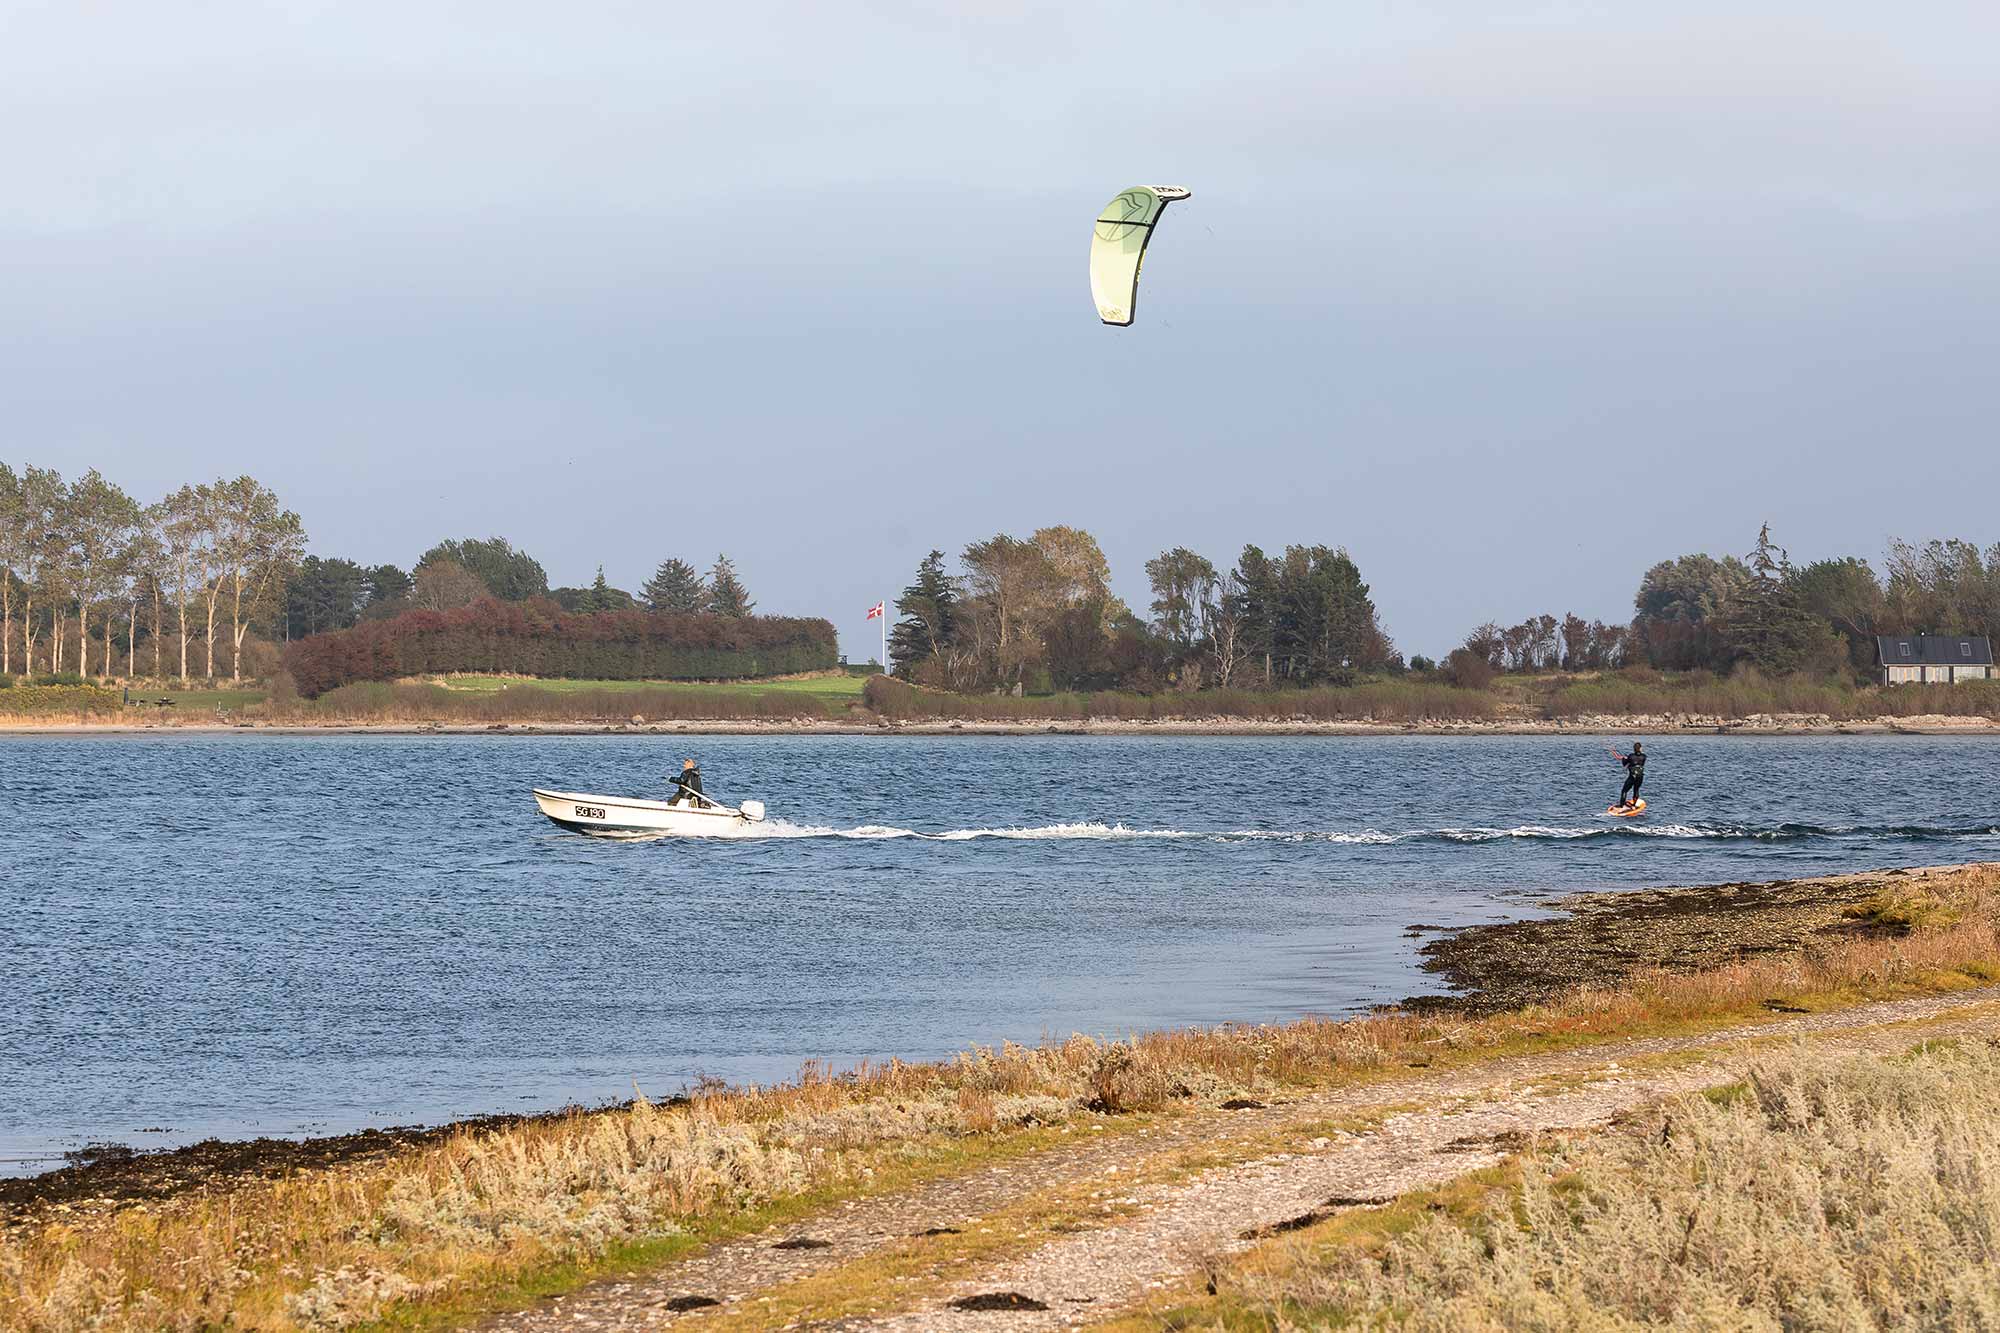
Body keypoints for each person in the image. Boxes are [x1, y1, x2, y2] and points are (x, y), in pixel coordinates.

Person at [1613, 741, 1645, 809]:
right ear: (1640, 748)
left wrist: (1624, 759)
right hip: (1640, 777)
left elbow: (1625, 764)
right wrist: (1628, 759)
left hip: (1632, 777)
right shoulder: (1644, 756)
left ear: (1634, 749)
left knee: (1624, 790)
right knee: (1636, 789)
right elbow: (1637, 762)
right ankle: (1634, 805)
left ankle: (1621, 806)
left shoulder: (1631, 756)